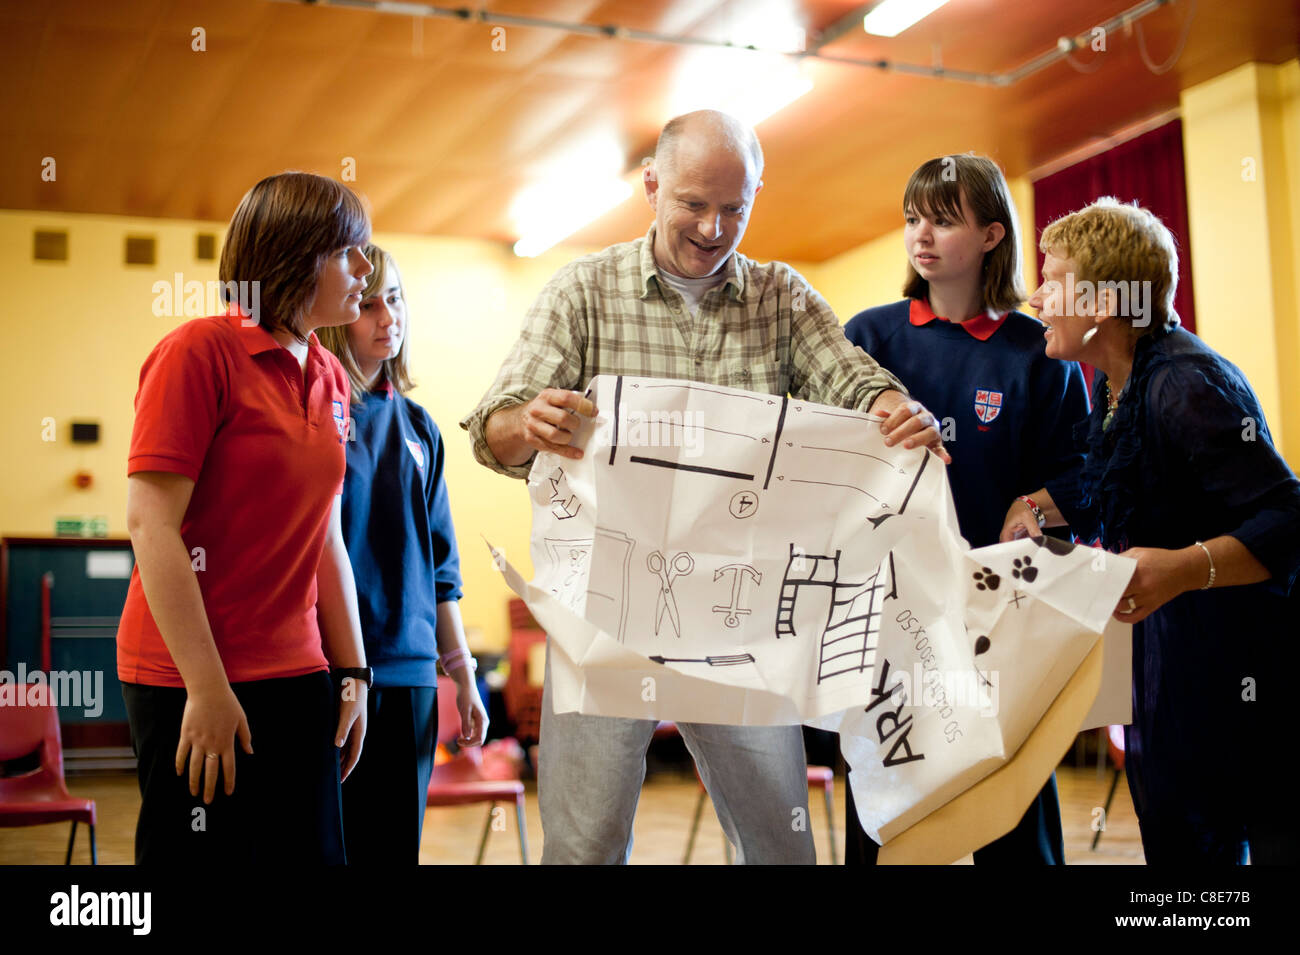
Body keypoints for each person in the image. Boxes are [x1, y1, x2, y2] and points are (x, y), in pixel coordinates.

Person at [461, 109, 949, 865]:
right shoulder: (583, 291)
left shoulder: (781, 298)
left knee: (779, 846)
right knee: (583, 846)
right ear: (651, 184)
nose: (715, 227)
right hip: (604, 623)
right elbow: (488, 428)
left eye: (735, 208)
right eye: (694, 203)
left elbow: (854, 383)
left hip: (742, 624)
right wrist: (528, 421)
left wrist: (892, 408)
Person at [1000, 197, 1300, 864]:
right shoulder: (1120, 381)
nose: (1036, 296)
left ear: (1103, 302)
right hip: (1177, 659)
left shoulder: (1183, 382)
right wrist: (1038, 514)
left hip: (1239, 669)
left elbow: (1288, 518)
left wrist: (1181, 568)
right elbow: (1131, 489)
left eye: (1052, 280)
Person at [117, 172, 373, 864]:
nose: (366, 269)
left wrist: (352, 671)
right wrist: (205, 685)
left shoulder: (332, 376)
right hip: (189, 675)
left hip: (298, 671)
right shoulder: (198, 352)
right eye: (350, 251)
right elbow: (151, 525)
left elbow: (326, 538)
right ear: (295, 254)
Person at [841, 155, 1088, 865]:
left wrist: (1038, 501)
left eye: (943, 220)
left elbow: (1085, 476)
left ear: (990, 235)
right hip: (888, 623)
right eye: (913, 218)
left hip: (998, 623)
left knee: (1014, 825)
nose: (921, 235)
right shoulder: (869, 337)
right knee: (885, 820)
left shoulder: (1037, 352)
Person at [318, 244, 488, 865]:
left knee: (393, 853)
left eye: (395, 300)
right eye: (367, 304)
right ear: (337, 314)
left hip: (412, 673)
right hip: (329, 672)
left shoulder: (421, 428)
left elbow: (443, 569)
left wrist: (463, 674)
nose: (387, 317)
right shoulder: (317, 413)